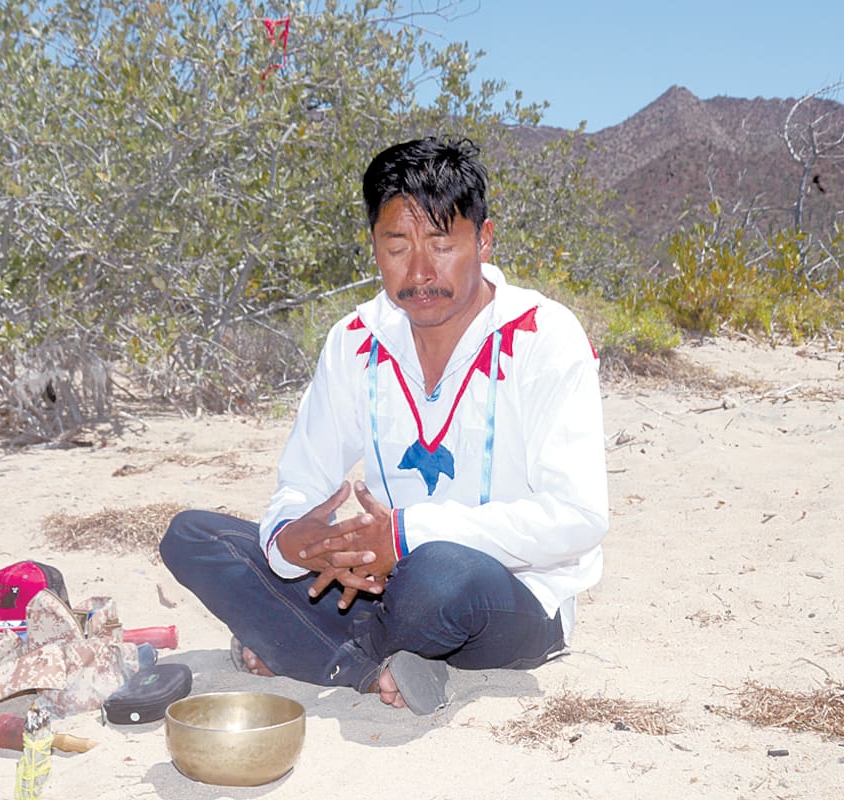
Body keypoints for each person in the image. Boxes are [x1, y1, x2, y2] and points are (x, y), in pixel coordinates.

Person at [160, 136, 608, 714]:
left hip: (508, 598)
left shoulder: (545, 335)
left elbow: (579, 518)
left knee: (438, 576)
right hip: (377, 587)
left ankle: (315, 648)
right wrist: (292, 541)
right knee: (195, 538)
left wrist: (405, 537)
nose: (420, 272)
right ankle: (380, 656)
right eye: (397, 247)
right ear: (374, 247)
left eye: (442, 244)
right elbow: (302, 480)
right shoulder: (355, 340)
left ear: (485, 239)